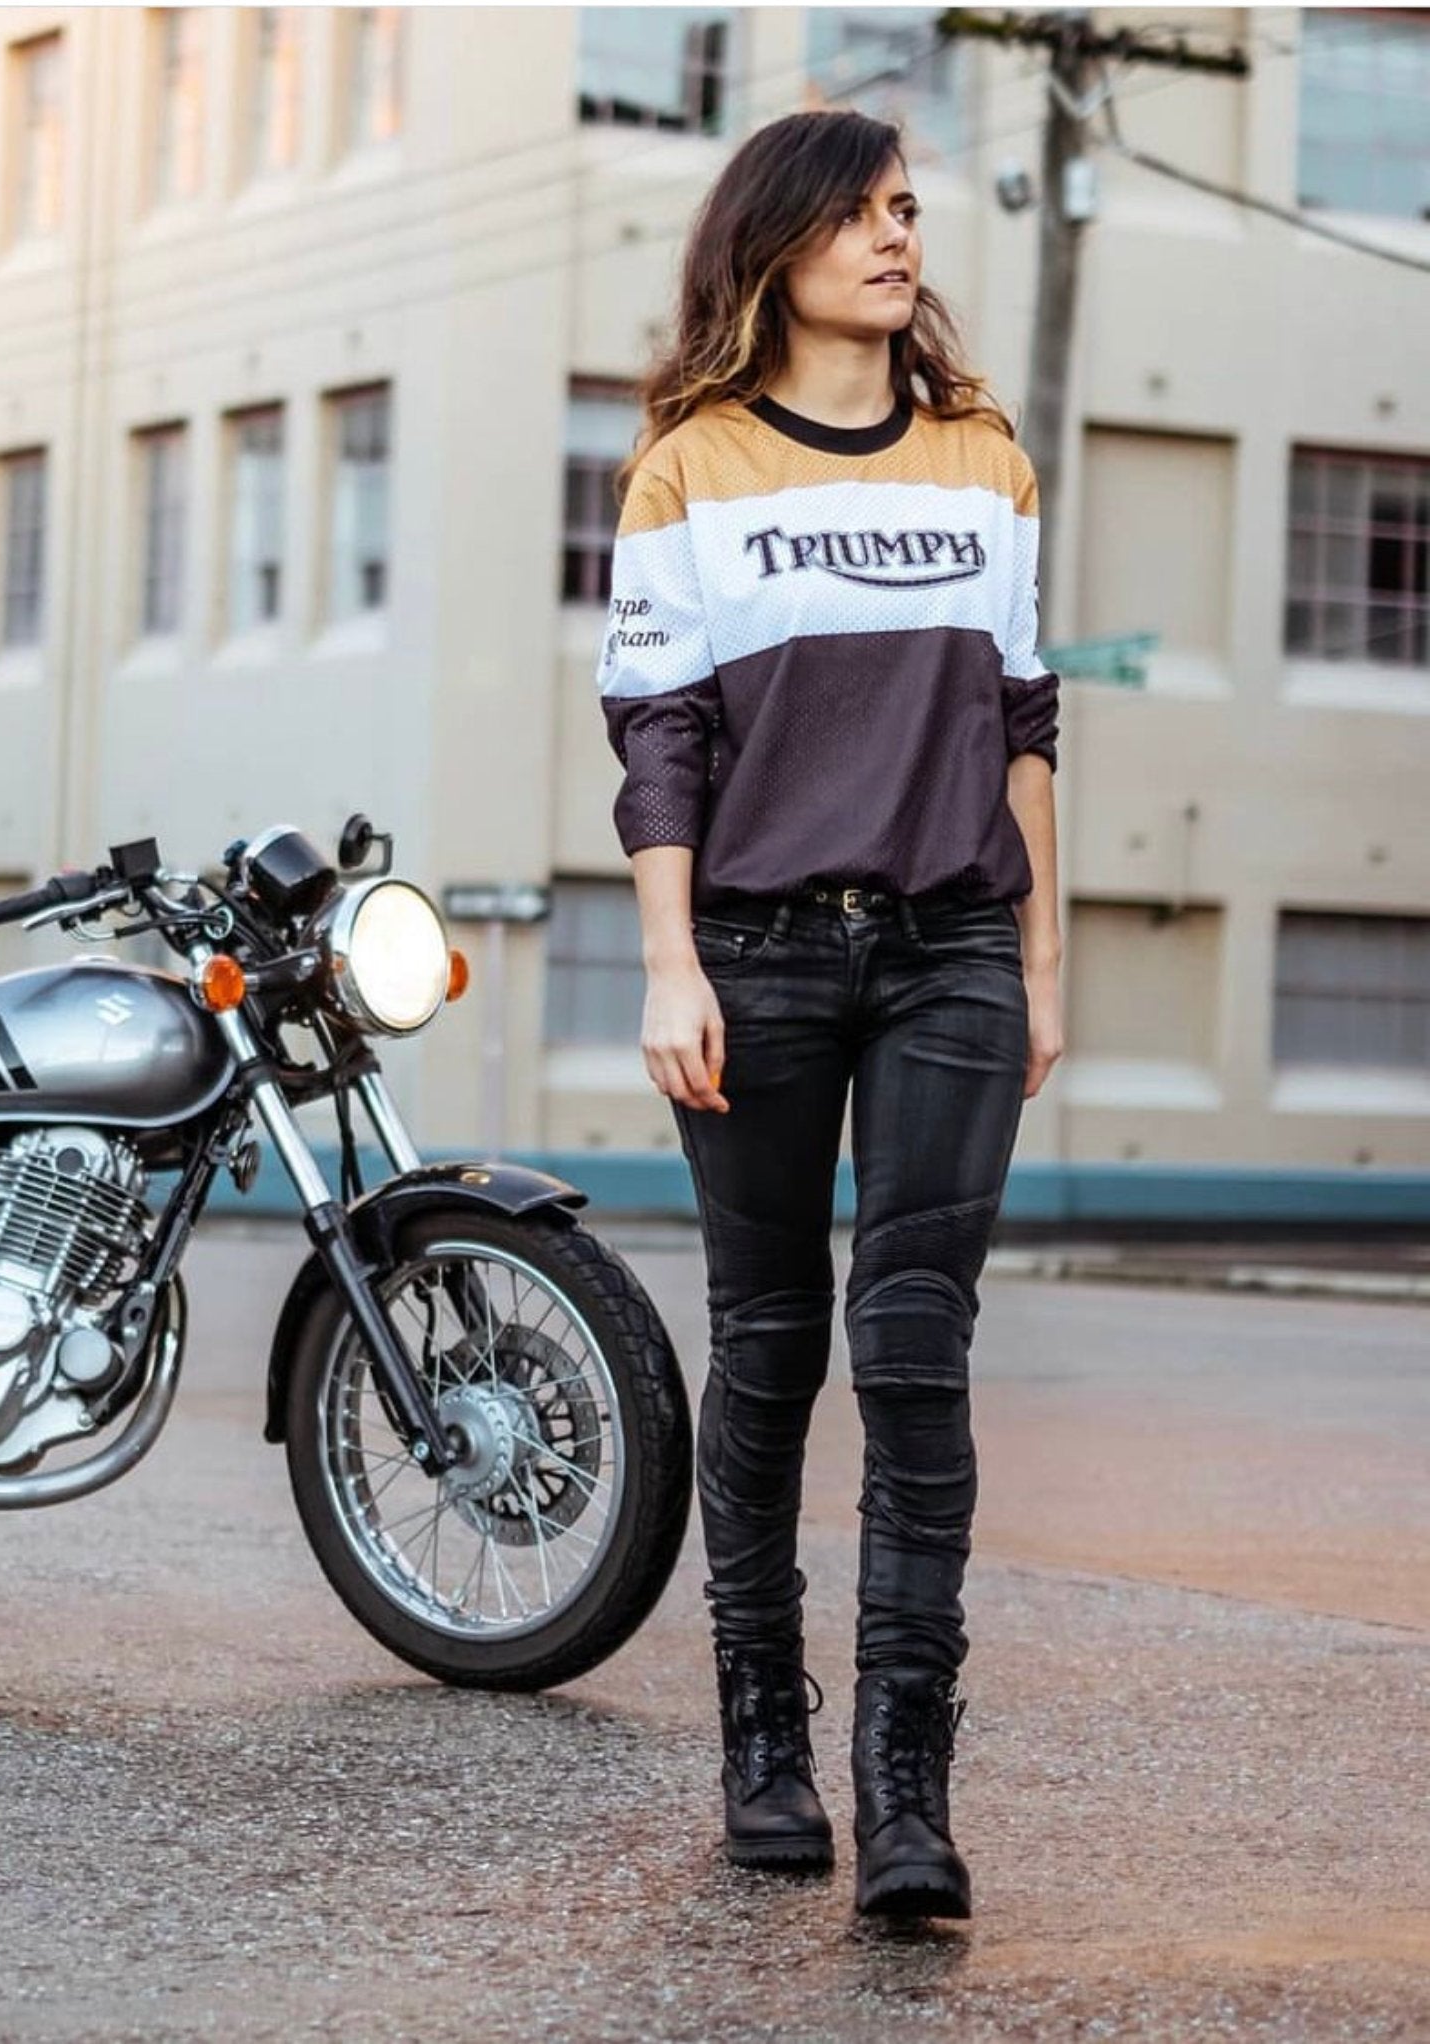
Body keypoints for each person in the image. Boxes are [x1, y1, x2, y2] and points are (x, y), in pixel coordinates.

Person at [596, 109, 1064, 1921]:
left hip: (950, 945)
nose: (898, 235)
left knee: (918, 1348)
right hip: (759, 955)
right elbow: (661, 737)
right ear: (776, 241)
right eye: (864, 212)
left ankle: (910, 1800)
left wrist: (1037, 965)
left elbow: (1023, 727)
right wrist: (669, 962)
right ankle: (766, 1756)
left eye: (907, 210)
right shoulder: (689, 466)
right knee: (773, 1341)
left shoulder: (982, 458)